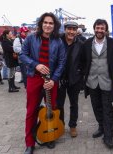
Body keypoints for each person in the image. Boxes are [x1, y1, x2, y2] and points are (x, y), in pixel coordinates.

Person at [20, 12, 66, 154]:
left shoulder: (58, 41)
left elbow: (62, 62)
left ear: (55, 26)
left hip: (51, 80)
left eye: (51, 23)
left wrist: (54, 80)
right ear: (41, 24)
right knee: (31, 111)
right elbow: (22, 55)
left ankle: (49, 136)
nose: (48, 25)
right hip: (34, 77)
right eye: (45, 22)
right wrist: (35, 65)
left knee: (51, 108)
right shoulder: (30, 38)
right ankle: (30, 143)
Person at [81, 19, 113, 149]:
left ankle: (108, 137)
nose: (100, 30)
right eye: (98, 28)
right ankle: (101, 127)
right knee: (96, 107)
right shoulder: (86, 43)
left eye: (102, 28)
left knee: (107, 109)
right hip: (92, 81)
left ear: (106, 30)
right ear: (94, 28)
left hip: (107, 81)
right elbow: (83, 61)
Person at [56, 21, 84, 138]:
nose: (71, 32)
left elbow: (84, 62)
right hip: (59, 79)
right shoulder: (57, 41)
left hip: (74, 80)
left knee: (74, 104)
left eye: (74, 29)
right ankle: (60, 124)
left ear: (76, 31)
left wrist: (79, 74)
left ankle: (73, 126)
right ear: (65, 29)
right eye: (69, 29)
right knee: (59, 104)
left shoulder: (81, 44)